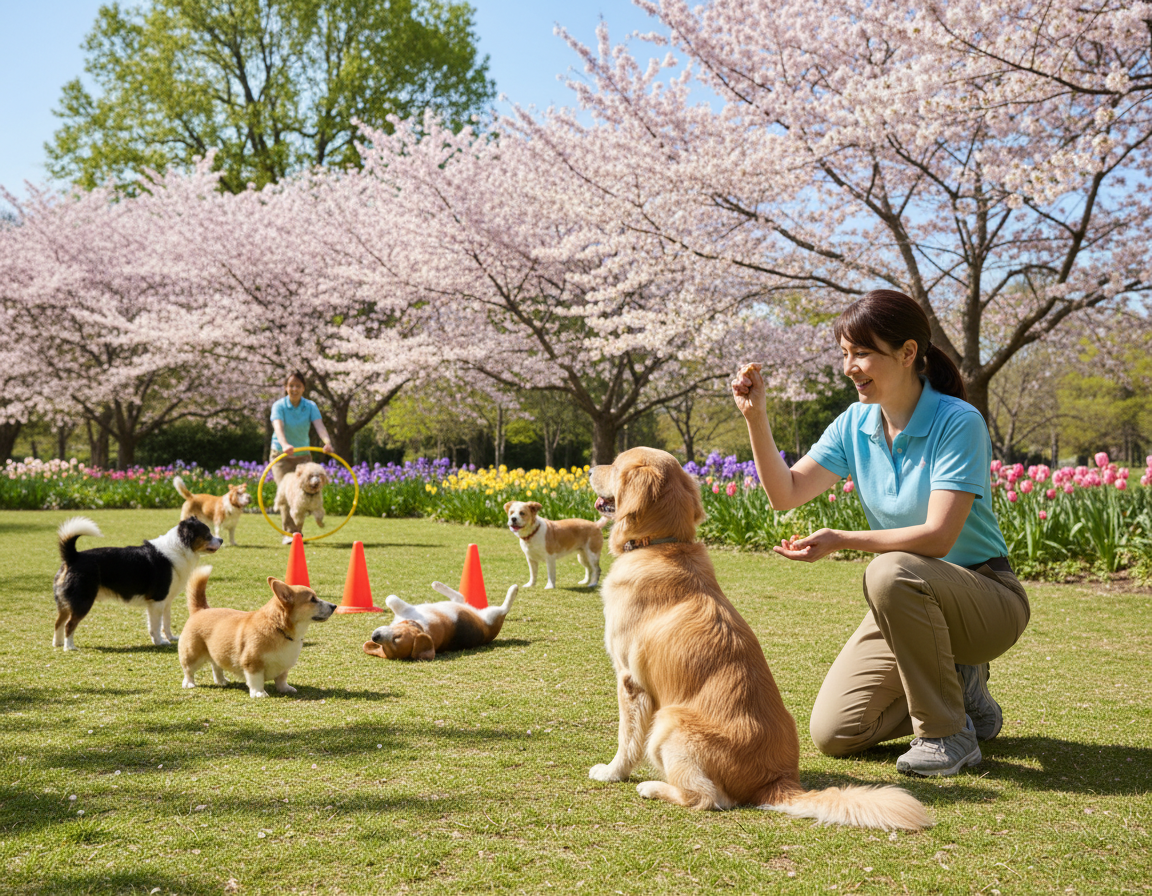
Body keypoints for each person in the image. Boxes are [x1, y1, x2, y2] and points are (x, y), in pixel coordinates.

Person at [731, 289, 1029, 777]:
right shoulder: (854, 423)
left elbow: (937, 538)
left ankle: (946, 735)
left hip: (986, 598)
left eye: (863, 353)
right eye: (845, 353)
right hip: (909, 603)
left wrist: (843, 539)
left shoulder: (958, 421)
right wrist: (756, 416)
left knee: (888, 572)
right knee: (837, 733)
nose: (850, 367)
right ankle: (964, 698)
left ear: (908, 353)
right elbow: (786, 493)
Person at [270, 371, 334, 485]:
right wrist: (285, 445)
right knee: (285, 490)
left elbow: (320, 426)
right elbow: (278, 428)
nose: (294, 389)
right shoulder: (278, 406)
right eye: (291, 386)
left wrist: (327, 442)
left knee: (305, 490)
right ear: (286, 387)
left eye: (298, 386)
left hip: (303, 456)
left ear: (303, 388)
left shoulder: (310, 406)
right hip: (281, 455)